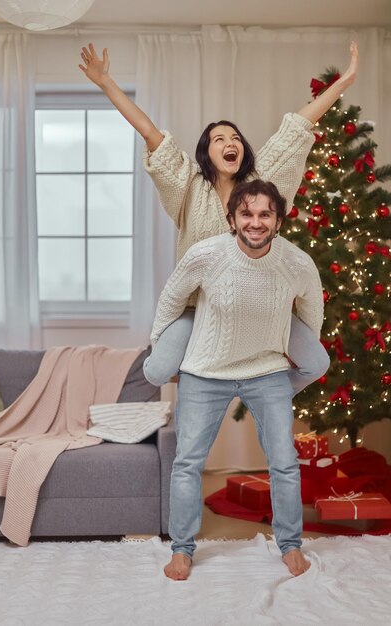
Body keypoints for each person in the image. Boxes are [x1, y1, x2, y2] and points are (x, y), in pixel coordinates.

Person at [79, 42, 358, 389]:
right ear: (206, 153)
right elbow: (149, 132)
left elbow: (297, 127)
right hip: (199, 310)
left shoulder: (262, 182)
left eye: (236, 138)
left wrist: (343, 82)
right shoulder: (187, 185)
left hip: (258, 312)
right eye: (220, 138)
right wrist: (106, 82)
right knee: (156, 371)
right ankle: (214, 378)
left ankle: (259, 388)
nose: (231, 142)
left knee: (316, 361)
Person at [150, 179, 324, 579]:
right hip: (205, 370)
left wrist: (293, 349)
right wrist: (162, 342)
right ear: (232, 219)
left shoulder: (296, 262)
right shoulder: (206, 255)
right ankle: (182, 549)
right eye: (247, 213)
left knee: (284, 462)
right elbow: (173, 298)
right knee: (188, 462)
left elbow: (311, 305)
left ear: (279, 220)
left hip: (265, 370)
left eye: (265, 214)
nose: (256, 222)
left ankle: (290, 544)